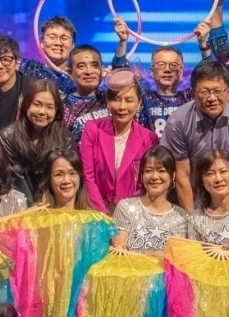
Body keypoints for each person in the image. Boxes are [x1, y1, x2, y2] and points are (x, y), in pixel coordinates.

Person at [164, 61, 229, 210]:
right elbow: (182, 176)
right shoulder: (178, 121)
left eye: (217, 91)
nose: (212, 98)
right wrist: (191, 219)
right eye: (204, 92)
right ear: (193, 93)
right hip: (194, 200)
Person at [81, 71, 158, 214]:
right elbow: (88, 177)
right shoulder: (92, 129)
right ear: (107, 102)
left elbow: (145, 183)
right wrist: (102, 214)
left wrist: (125, 212)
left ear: (139, 103)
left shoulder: (149, 138)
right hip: (96, 211)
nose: (122, 107)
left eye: (129, 100)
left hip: (132, 211)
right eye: (116, 99)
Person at [111, 18, 191, 137]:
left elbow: (214, 74)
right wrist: (123, 42)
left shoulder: (189, 98)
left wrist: (204, 46)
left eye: (173, 65)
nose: (167, 69)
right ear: (152, 71)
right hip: (148, 149)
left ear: (181, 72)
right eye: (161, 65)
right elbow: (120, 74)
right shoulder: (143, 97)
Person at [0, 78, 69, 198]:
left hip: (55, 201)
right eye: (37, 104)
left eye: (49, 107)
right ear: (27, 105)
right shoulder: (8, 136)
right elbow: (13, 180)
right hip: (20, 203)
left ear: (56, 111)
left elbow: (68, 175)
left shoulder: (65, 137)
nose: (42, 112)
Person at [110, 146, 189, 254]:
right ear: (141, 176)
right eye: (148, 171)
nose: (154, 176)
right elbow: (119, 252)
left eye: (161, 171)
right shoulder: (125, 208)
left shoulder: (181, 217)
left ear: (173, 176)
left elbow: (176, 258)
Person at [64, 44, 110, 132]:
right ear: (70, 73)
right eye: (81, 66)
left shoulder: (112, 100)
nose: (89, 72)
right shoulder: (64, 108)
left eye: (94, 66)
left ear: (102, 70)